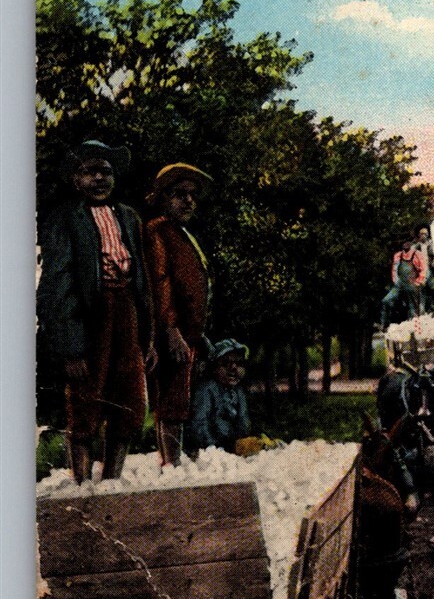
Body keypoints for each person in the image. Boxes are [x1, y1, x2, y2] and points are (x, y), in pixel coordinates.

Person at [39, 140, 153, 484]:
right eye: (90, 172)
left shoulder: (129, 217)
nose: (99, 179)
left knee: (129, 398)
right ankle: (80, 484)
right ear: (76, 179)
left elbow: (142, 281)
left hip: (127, 313)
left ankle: (112, 481)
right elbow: (57, 285)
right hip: (91, 316)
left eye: (105, 171)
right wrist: (71, 347)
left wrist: (146, 337)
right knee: (86, 398)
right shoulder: (65, 218)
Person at [142, 163, 214, 466]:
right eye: (179, 194)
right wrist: (171, 331)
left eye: (192, 195)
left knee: (184, 398)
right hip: (171, 334)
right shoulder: (157, 231)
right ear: (162, 198)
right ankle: (169, 463)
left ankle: (179, 459)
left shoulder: (184, 235)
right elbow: (160, 282)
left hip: (190, 333)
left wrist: (199, 334)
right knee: (171, 400)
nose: (187, 201)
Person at [189, 339, 276, 456]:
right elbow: (200, 425)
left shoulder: (238, 392)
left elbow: (244, 422)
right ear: (214, 368)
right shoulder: (207, 390)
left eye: (239, 364)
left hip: (235, 448)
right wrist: (215, 448)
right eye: (225, 364)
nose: (234, 368)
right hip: (212, 451)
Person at [383, 224, 430, 326]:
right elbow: (394, 269)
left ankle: (418, 326)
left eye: (425, 234)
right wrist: (396, 281)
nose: (405, 244)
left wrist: (419, 281)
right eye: (403, 243)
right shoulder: (399, 255)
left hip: (416, 280)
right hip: (401, 283)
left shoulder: (420, 252)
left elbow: (423, 269)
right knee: (386, 301)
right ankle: (384, 324)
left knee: (416, 306)